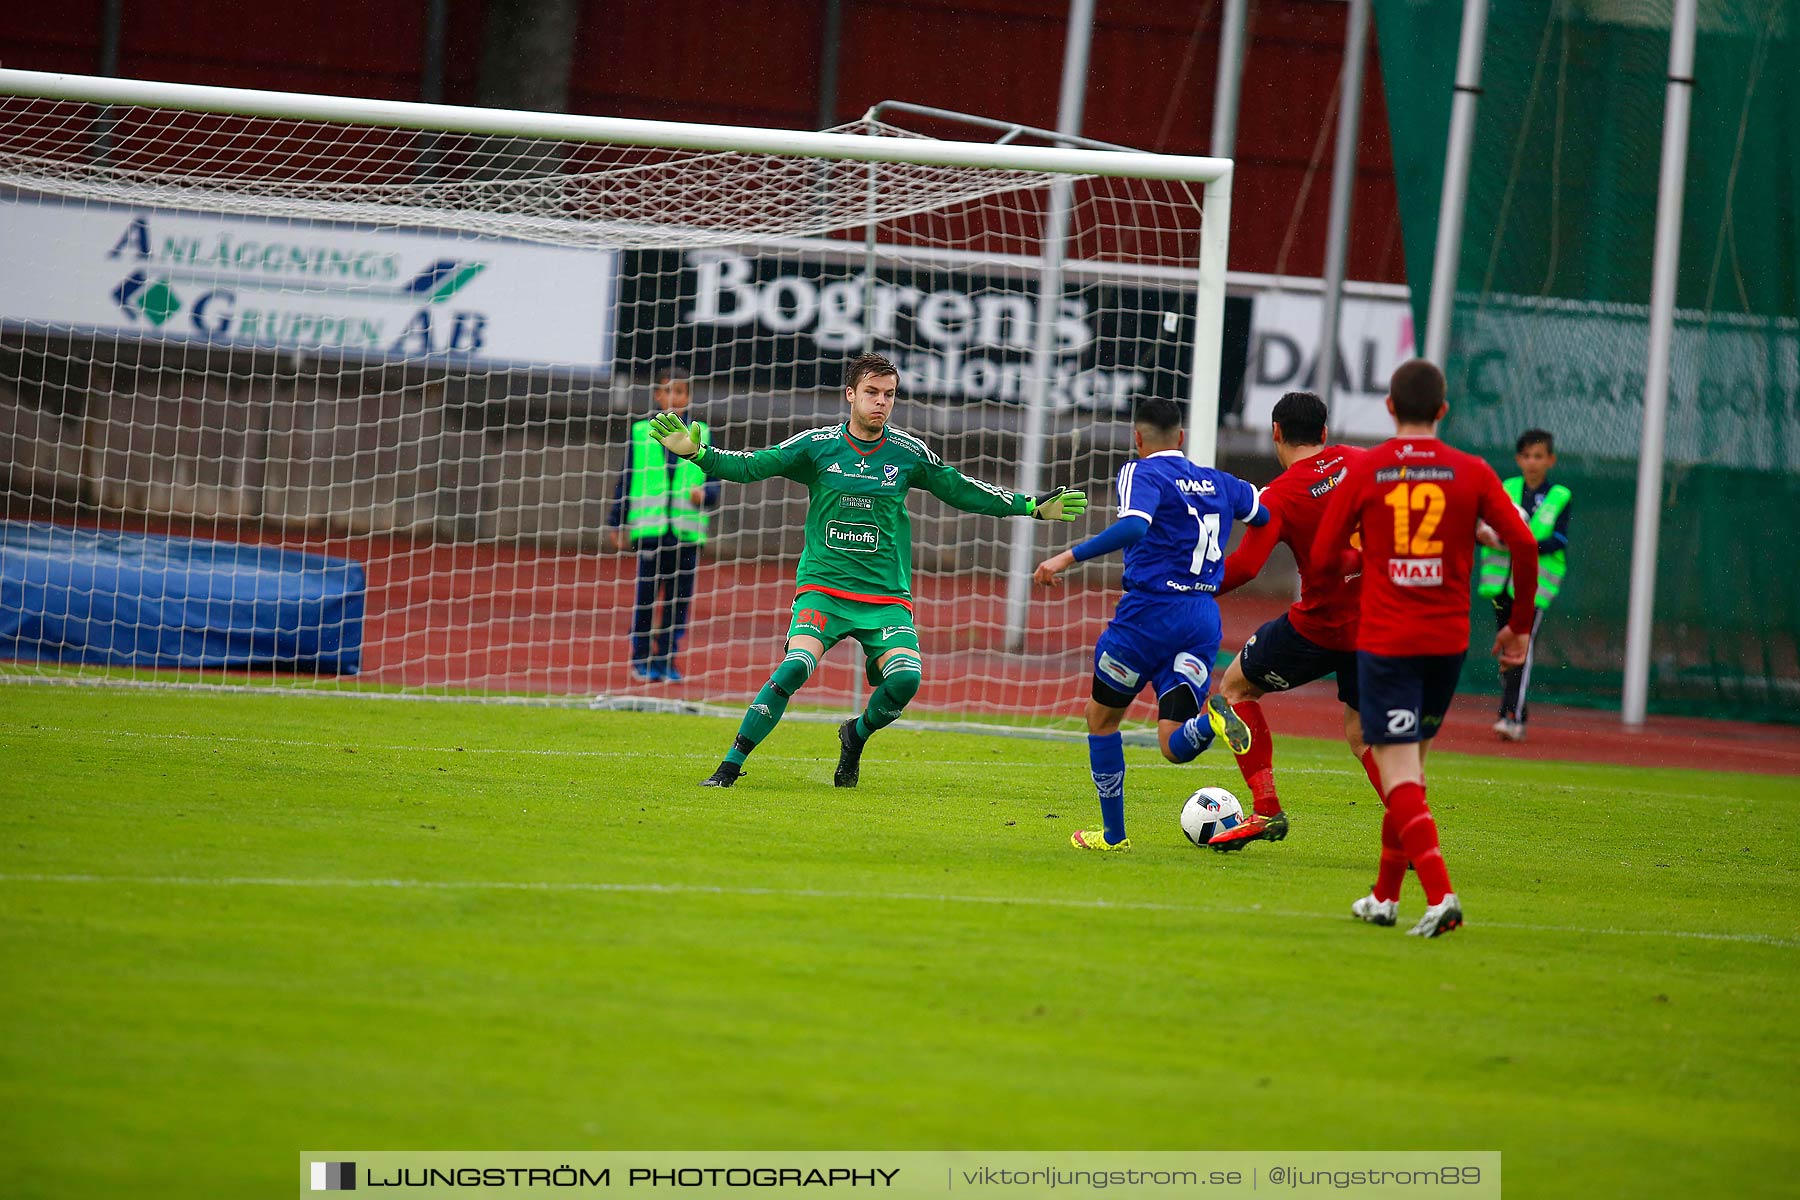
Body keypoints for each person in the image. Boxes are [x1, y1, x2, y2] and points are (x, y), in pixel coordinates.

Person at [646, 352, 1087, 788]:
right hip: (825, 588)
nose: (881, 402)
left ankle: (854, 736)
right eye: (872, 392)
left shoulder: (907, 453)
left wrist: (1030, 506)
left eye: (889, 394)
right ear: (851, 394)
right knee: (795, 666)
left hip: (885, 599)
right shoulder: (816, 446)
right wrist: (697, 454)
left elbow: (960, 489)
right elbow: (750, 465)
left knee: (907, 679)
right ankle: (728, 767)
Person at [1313, 359, 1539, 937]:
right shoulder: (1472, 471)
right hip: (1447, 643)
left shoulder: (1369, 469)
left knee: (1397, 771)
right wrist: (1517, 627)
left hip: (1389, 641)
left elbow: (1323, 555)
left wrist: (1369, 560)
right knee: (1408, 765)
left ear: (1389, 408)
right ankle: (1385, 898)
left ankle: (1440, 898)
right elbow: (1522, 543)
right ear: (1442, 411)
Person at [1032, 397, 1268, 852]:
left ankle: (1114, 835)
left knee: (1101, 720)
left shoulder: (1140, 472)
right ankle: (1210, 722)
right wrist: (1232, 573)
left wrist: (1066, 556)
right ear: (1180, 438)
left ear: (1138, 439)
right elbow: (1265, 515)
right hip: (1200, 619)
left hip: (1145, 619)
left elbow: (1136, 526)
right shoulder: (1221, 482)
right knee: (1172, 744)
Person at [1204, 391, 1385, 851]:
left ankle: (1265, 809)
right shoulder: (1363, 462)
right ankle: (1410, 826)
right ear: (1324, 432)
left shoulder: (1278, 496)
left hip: (1321, 627)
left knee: (1235, 689)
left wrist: (1192, 585)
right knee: (1363, 732)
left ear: (1276, 434)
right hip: (1380, 622)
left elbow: (1245, 567)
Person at [608, 366, 721, 681]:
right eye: (668, 391)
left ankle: (667, 659)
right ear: (658, 396)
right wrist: (616, 521)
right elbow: (626, 478)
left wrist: (705, 494)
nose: (674, 398)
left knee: (678, 601)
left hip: (686, 532)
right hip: (651, 530)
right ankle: (640, 657)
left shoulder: (701, 434)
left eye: (681, 392)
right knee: (646, 597)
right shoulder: (641, 434)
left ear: (687, 398)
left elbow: (715, 481)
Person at [1475, 429, 1571, 742]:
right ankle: (1516, 708)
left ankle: (1511, 715)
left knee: (1523, 647)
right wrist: (1488, 536)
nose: (1532, 462)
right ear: (1518, 459)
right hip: (1501, 585)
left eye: (1539, 456)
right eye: (1527, 455)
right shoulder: (1506, 488)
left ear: (1551, 460)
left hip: (1535, 588)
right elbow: (1486, 527)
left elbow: (1559, 539)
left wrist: (1523, 543)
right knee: (1508, 646)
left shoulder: (1559, 496)